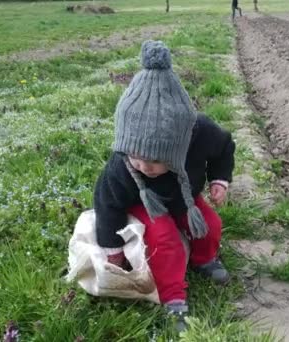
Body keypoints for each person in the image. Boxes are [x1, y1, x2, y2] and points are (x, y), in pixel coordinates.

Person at [93, 40, 235, 332]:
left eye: (155, 161)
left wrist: (220, 179)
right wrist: (114, 250)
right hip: (146, 202)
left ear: (180, 145)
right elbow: (107, 204)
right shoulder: (123, 167)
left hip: (184, 195)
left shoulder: (200, 132)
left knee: (208, 223)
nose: (144, 167)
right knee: (163, 237)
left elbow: (224, 147)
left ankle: (204, 259)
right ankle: (173, 299)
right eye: (137, 157)